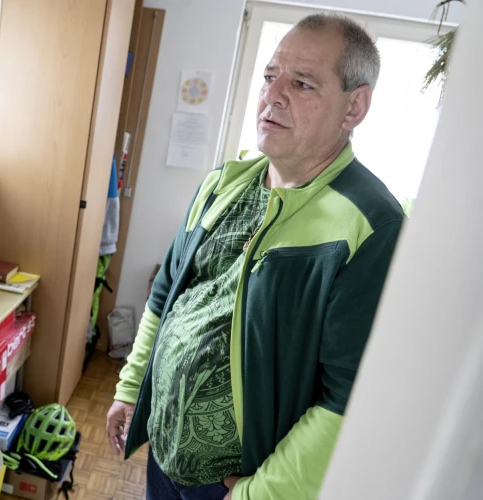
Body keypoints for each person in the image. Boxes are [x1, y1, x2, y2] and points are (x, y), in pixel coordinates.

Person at [106, 13, 404, 500]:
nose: (272, 95)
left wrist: (257, 495)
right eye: (269, 76)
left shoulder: (372, 227)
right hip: (163, 451)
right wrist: (131, 387)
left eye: (302, 83)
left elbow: (350, 398)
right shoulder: (224, 182)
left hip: (237, 487)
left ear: (354, 108)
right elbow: (166, 294)